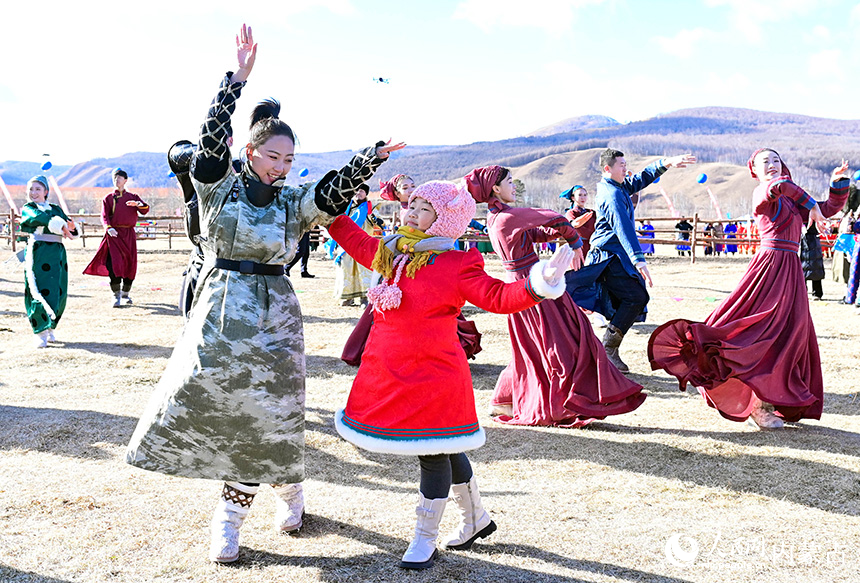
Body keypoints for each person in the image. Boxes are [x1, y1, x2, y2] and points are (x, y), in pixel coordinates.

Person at [124, 24, 404, 564]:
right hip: (220, 308)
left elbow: (331, 192)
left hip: (276, 315)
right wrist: (237, 80)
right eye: (272, 156)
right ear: (250, 151)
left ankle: (234, 517)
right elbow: (207, 142)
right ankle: (284, 490)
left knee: (269, 414)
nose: (280, 167)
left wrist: (369, 157)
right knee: (214, 408)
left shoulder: (292, 201)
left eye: (288, 160)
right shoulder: (217, 184)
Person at [325, 180, 574, 570]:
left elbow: (498, 297)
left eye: (424, 209)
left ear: (445, 221)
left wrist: (539, 284)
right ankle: (476, 519)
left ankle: (424, 538)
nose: (411, 212)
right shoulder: (392, 252)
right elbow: (355, 241)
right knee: (445, 445)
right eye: (412, 204)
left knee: (432, 451)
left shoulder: (459, 263)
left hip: (436, 375)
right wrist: (329, 211)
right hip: (391, 371)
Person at [648, 150, 849, 429]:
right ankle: (753, 402)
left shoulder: (791, 201)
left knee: (792, 333)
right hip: (769, 267)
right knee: (759, 330)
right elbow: (781, 188)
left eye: (776, 160)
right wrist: (810, 201)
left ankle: (771, 399)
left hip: (791, 268)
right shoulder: (762, 192)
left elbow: (826, 210)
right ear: (754, 169)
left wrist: (838, 184)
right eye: (765, 161)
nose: (772, 165)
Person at [465, 166, 646, 426]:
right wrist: (574, 241)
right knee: (564, 341)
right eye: (509, 182)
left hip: (530, 283)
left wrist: (569, 229)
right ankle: (566, 402)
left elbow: (540, 232)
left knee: (535, 346)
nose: (514, 186)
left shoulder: (501, 217)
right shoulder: (505, 218)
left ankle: (508, 398)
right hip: (533, 287)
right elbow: (551, 217)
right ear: (495, 188)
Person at [566, 148, 696, 372]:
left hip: (616, 254)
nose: (626, 168)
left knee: (633, 298)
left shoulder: (617, 186)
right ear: (608, 169)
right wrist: (639, 260)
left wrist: (667, 162)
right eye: (621, 165)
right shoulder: (612, 194)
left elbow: (641, 178)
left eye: (626, 164)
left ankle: (604, 347)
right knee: (636, 296)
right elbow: (623, 228)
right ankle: (606, 348)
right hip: (608, 255)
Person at [18, 175, 77, 347]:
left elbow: (69, 230)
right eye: (31, 189)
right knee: (38, 289)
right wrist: (58, 223)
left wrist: (71, 226)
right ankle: (40, 331)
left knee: (59, 290)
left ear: (45, 191)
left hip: (58, 253)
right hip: (39, 253)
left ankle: (51, 326)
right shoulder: (28, 208)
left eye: (38, 189)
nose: (33, 192)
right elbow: (36, 218)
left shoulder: (55, 208)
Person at [82, 168, 150, 307]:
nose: (117, 180)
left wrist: (138, 204)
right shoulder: (108, 198)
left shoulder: (133, 197)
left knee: (130, 264)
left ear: (125, 180)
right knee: (114, 265)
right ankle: (116, 295)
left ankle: (126, 294)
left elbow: (145, 210)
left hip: (129, 235)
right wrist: (108, 228)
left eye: (119, 178)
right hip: (114, 235)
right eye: (115, 178)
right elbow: (104, 216)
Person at [333, 183, 384, 306]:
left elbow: (378, 223)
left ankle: (365, 298)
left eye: (361, 191)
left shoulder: (370, 208)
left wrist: (375, 219)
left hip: (364, 243)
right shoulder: (346, 208)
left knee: (364, 271)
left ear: (366, 194)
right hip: (347, 244)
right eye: (356, 190)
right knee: (347, 270)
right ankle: (347, 297)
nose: (358, 193)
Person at [560, 185, 595, 255]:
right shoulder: (571, 213)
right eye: (580, 195)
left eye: (585, 195)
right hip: (578, 248)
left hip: (592, 247)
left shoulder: (592, 212)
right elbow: (573, 225)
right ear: (573, 198)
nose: (583, 197)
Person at [800, 222, 825, 301]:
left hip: (812, 240)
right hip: (802, 240)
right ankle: (804, 292)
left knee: (816, 267)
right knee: (802, 269)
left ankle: (817, 292)